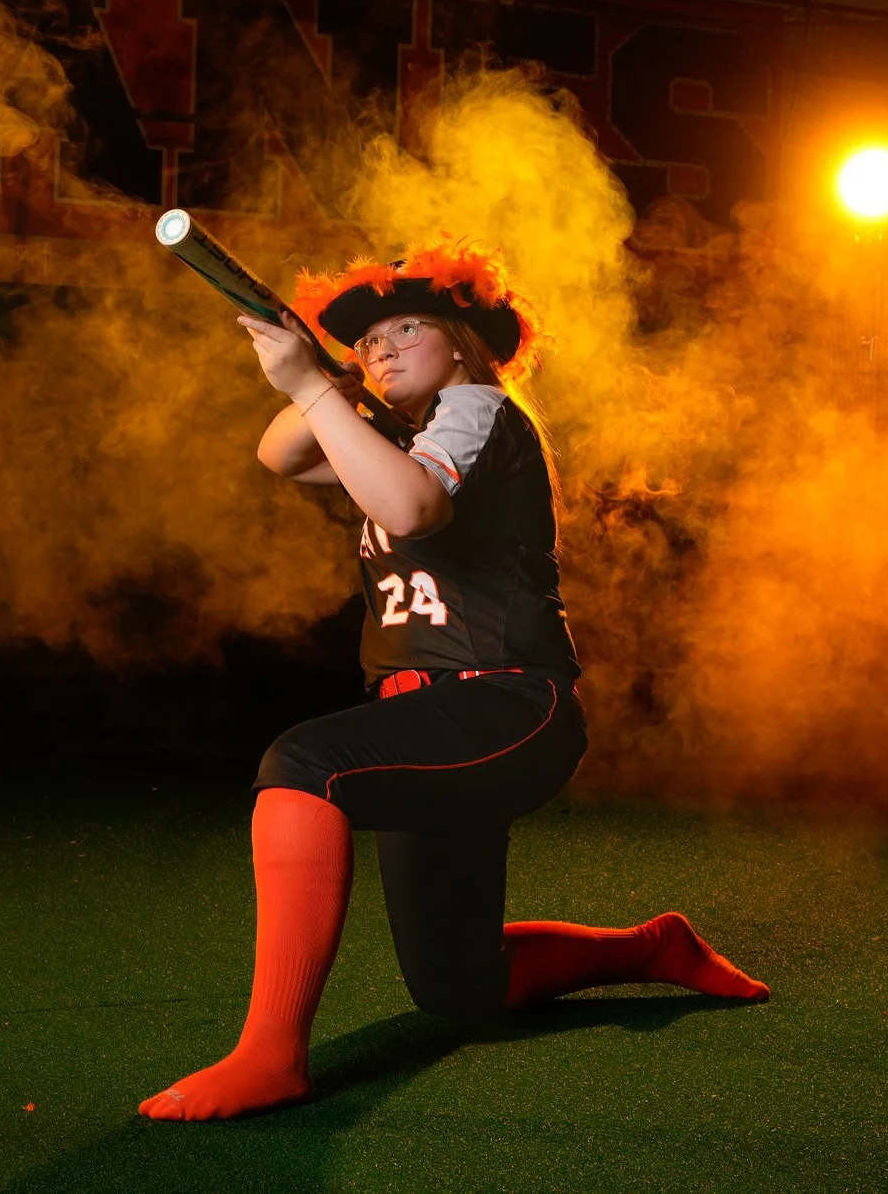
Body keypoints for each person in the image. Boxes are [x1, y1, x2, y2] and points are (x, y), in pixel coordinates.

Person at [140, 239, 767, 1123]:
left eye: (406, 327)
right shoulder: (405, 431)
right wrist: (330, 382)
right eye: (367, 340)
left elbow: (410, 507)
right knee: (458, 984)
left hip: (509, 702)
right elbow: (281, 454)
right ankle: (652, 946)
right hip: (432, 721)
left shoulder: (478, 406)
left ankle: (269, 1056)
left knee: (303, 763)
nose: (382, 348)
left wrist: (319, 385)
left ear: (466, 343)